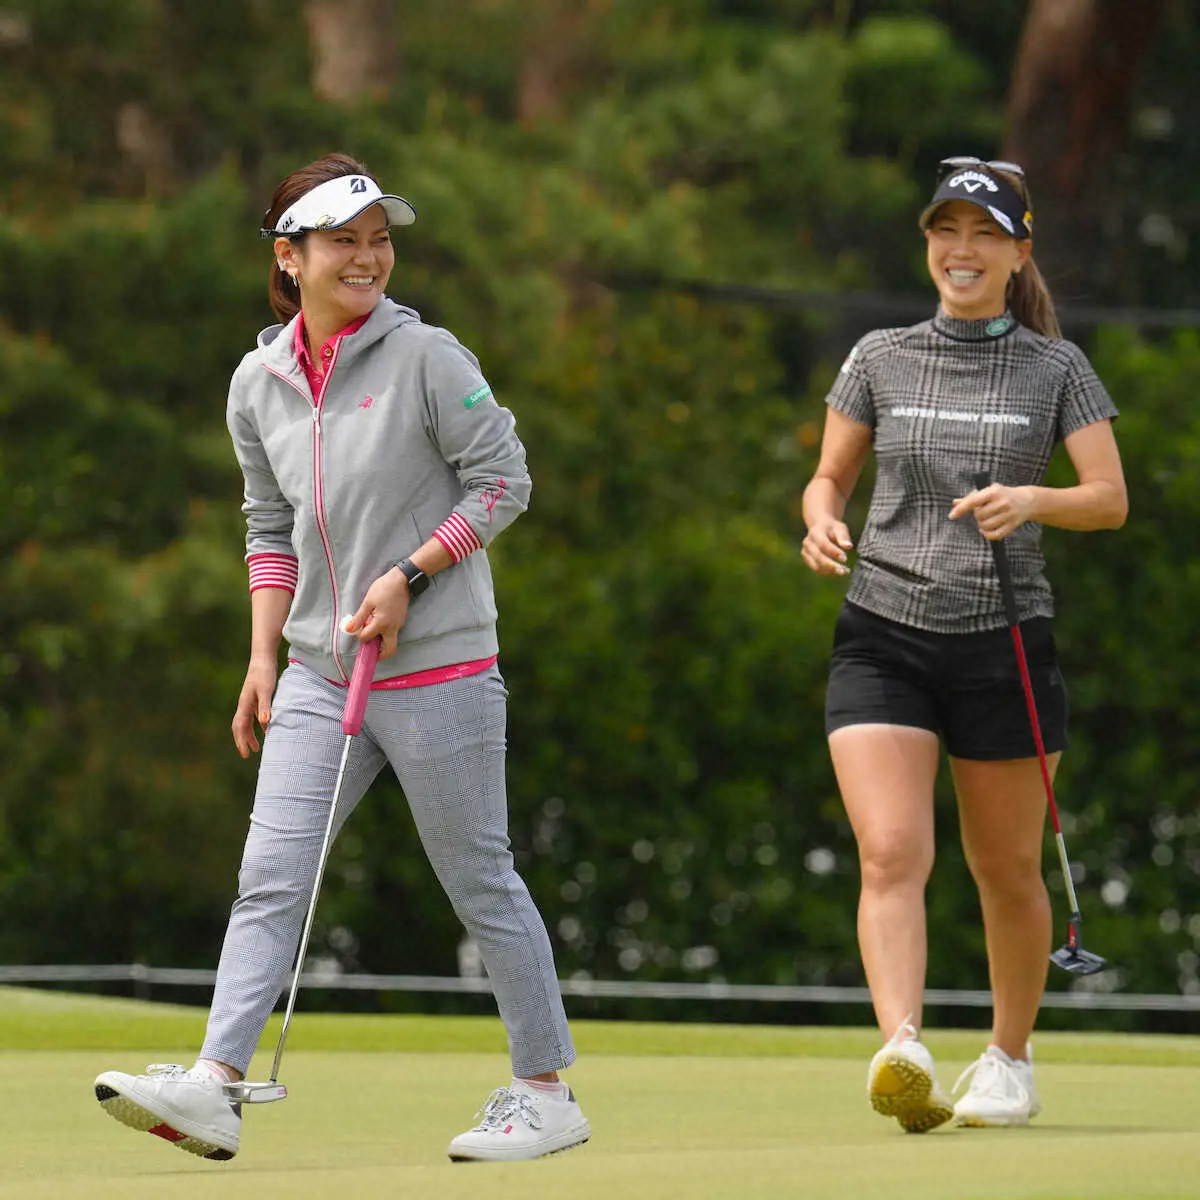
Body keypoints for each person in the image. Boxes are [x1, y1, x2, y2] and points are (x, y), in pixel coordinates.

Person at [94, 153, 589, 1163]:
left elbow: (503, 483)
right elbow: (267, 523)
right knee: (270, 875)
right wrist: (262, 657)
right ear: (291, 257)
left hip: (441, 668)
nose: (368, 258)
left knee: (477, 878)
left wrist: (411, 573)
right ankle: (216, 1084)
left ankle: (545, 1094)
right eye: (343, 241)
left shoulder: (429, 357)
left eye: (380, 239)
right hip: (321, 671)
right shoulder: (258, 381)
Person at [800, 156, 1127, 1132]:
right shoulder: (878, 356)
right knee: (891, 850)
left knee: (1004, 869)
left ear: (1020, 252)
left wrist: (1032, 499)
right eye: (949, 230)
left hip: (1005, 646)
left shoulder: (1057, 368)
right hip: (883, 637)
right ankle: (901, 1046)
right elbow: (828, 478)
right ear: (929, 244)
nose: (964, 249)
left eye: (986, 233)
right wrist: (819, 519)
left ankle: (1009, 1060)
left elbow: (1109, 499)